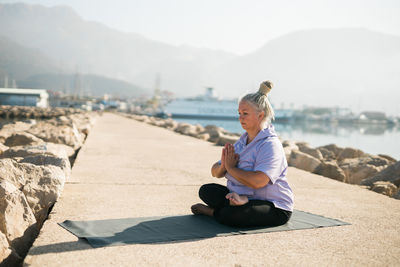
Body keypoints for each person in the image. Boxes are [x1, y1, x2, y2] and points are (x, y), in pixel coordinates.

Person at [191, 81, 294, 227]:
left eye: (245, 113)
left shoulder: (270, 145)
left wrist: (231, 169)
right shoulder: (242, 141)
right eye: (239, 113)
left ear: (260, 115)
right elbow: (215, 172)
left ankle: (213, 212)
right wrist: (224, 166)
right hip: (239, 198)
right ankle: (236, 204)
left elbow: (259, 181)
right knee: (207, 191)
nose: (241, 118)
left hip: (273, 206)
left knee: (231, 215)